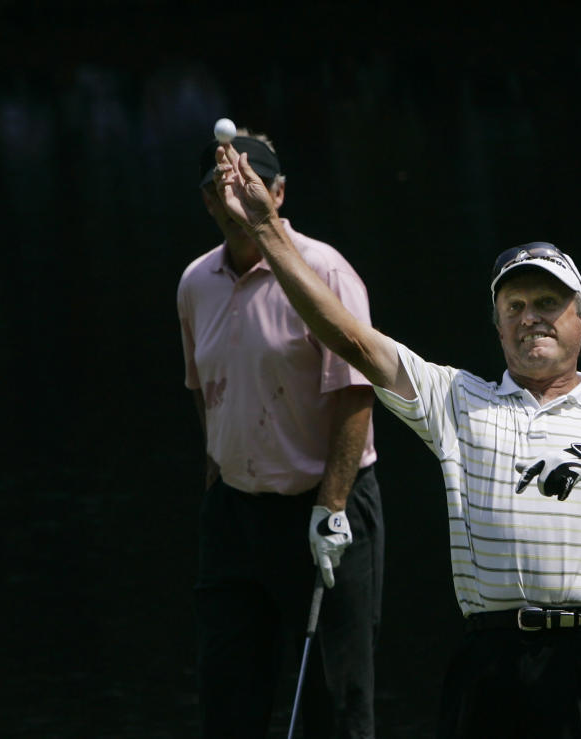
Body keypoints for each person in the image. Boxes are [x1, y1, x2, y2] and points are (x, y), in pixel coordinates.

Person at [208, 143, 581, 738]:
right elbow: (350, 339)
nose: (530, 317)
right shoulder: (456, 398)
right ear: (496, 325)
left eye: (548, 303)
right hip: (492, 664)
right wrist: (266, 229)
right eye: (513, 306)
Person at [177, 131, 384, 738]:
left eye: (249, 185)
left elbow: (354, 388)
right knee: (228, 695)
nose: (235, 196)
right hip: (235, 514)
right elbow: (202, 387)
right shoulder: (196, 282)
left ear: (278, 193)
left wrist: (333, 505)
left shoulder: (322, 271)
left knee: (333, 703)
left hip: (324, 510)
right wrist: (218, 475)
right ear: (210, 201)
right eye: (223, 188)